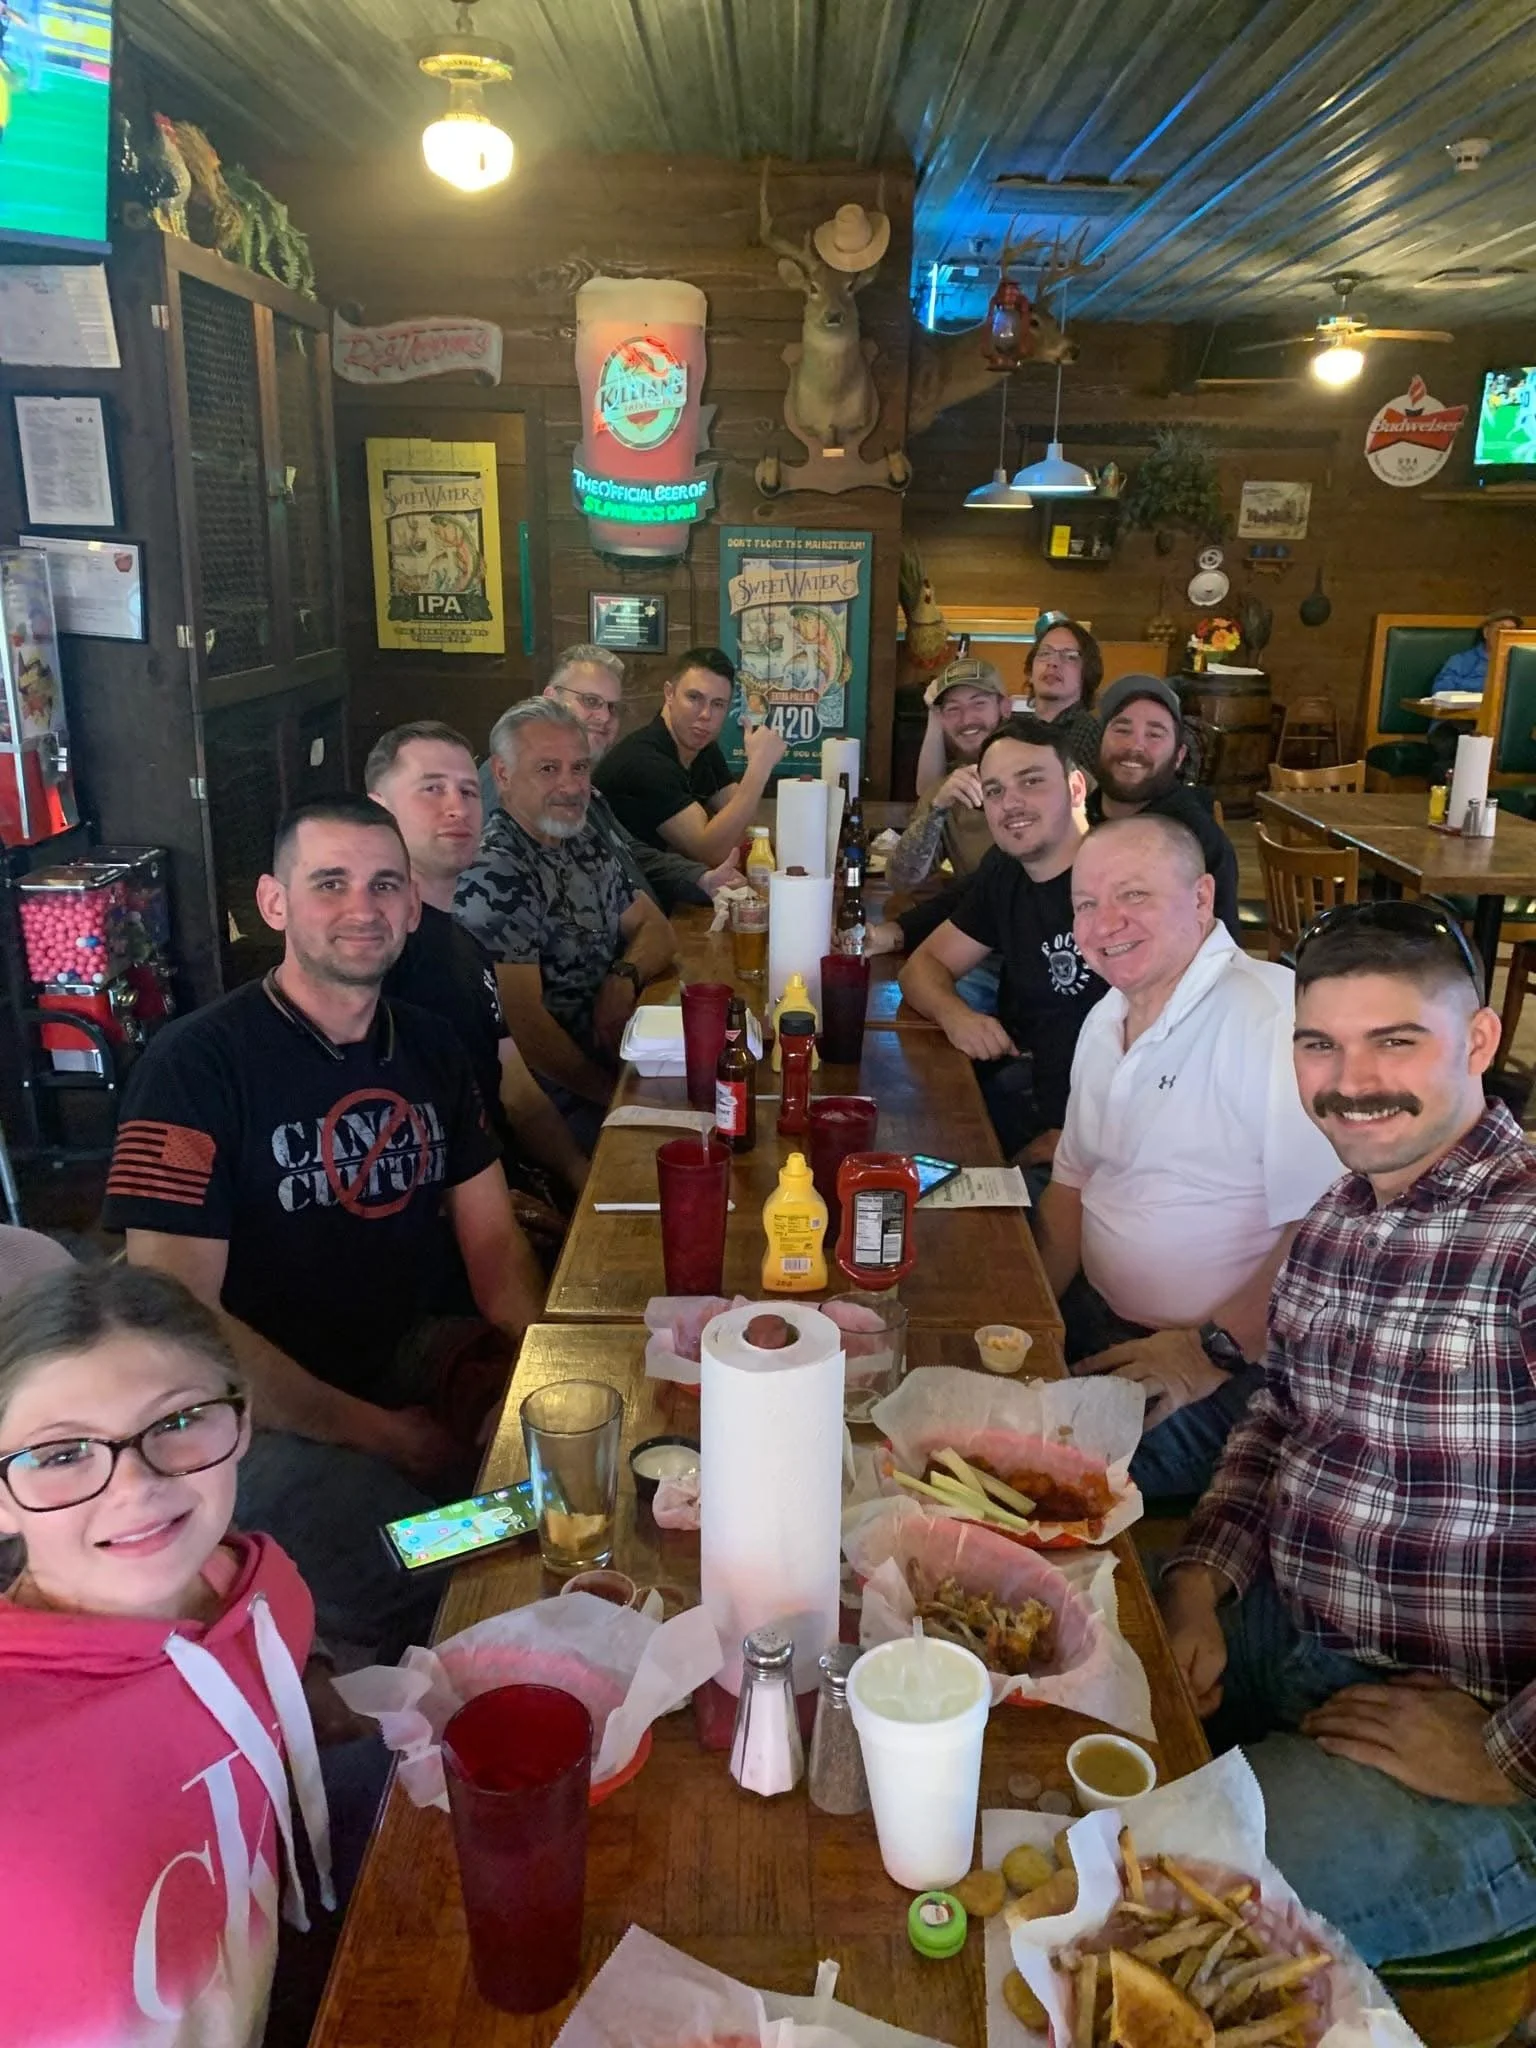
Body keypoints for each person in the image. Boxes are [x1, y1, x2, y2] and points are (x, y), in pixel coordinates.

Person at [1160, 899, 1536, 1965]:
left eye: (1394, 1041)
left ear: (1478, 1040)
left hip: (1470, 1729)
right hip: (1289, 1631)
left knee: (1144, 1908)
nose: (1350, 1081)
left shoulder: (1522, 1238)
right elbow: (1279, 1416)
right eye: (1319, 1044)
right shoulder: (1338, 1216)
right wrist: (1200, 1581)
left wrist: (1506, 1754)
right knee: (1030, 1700)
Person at [101, 794, 545, 1653]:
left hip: (402, 1349)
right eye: (330, 883)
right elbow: (178, 1323)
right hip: (244, 1409)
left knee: (580, 1468)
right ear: (275, 903)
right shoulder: (191, 1067)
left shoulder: (432, 1046)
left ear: (412, 908)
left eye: (385, 885)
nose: (362, 908)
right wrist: (386, 1437)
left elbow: (494, 1245)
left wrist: (536, 1380)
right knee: (434, 1560)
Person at [0, 1263, 380, 2046]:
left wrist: (310, 1688)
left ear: (243, 1423)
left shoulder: (261, 1584)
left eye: (178, 1421)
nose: (133, 1485)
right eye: (60, 1454)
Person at [1034, 815, 1340, 1497]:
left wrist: (1205, 1352)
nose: (1104, 923)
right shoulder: (1107, 1016)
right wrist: (1028, 1318)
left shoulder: (1272, 1018)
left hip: (1230, 1365)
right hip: (1105, 1318)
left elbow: (1329, 1229)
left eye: (1133, 895)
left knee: (1040, 1480)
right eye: (1086, 904)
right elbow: (1071, 1188)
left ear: (1202, 898)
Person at [365, 718, 590, 1223]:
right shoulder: (374, 957)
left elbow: (515, 1089)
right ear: (379, 810)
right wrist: (494, 1214)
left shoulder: (466, 942)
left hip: (505, 1184)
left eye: (468, 791)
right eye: (432, 789)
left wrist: (582, 1175)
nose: (456, 807)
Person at [456, 697, 675, 1138]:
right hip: (557, 1103)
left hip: (620, 1060)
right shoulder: (496, 868)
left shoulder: (580, 838)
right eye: (548, 769)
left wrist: (623, 977)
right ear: (502, 774)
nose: (571, 786)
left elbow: (657, 930)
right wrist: (617, 1098)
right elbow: (527, 1032)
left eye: (579, 768)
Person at [899, 715, 1104, 1172]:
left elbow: (1176, 1055)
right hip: (1032, 1105)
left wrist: (1069, 1146)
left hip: (1101, 1152)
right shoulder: (1008, 870)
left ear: (1075, 788)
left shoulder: (1119, 885)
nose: (1011, 803)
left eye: (1031, 781)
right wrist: (956, 1016)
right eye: (994, 791)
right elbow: (922, 967)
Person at [490, 643, 738, 913]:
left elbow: (626, 852)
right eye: (591, 701)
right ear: (550, 698)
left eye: (612, 707)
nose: (604, 717)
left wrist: (701, 878)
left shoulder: (589, 791)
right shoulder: (507, 783)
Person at [593, 644, 788, 864]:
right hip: (612, 880)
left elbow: (743, 823)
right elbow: (710, 852)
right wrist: (759, 768)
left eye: (718, 704)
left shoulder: (702, 747)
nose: (706, 714)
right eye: (694, 698)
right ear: (669, 693)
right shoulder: (644, 761)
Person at [1089, 674, 1241, 939]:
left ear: (1179, 756)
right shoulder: (1072, 821)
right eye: (1122, 730)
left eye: (1154, 734)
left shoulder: (1199, 839)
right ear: (1099, 741)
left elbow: (1221, 948)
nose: (1135, 746)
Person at [889, 656, 1011, 888]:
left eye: (979, 704)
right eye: (953, 709)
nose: (966, 719)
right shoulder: (947, 791)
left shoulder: (1046, 765)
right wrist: (937, 810)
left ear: (1005, 707)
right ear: (942, 719)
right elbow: (901, 880)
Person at [1426, 610, 1524, 777]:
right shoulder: (1462, 660)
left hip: (1505, 729)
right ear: (1486, 632)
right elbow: (1441, 690)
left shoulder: (1523, 665)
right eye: (1501, 629)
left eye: (1512, 631)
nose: (1506, 635)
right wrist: (1488, 687)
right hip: (1456, 725)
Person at [1022, 616, 1103, 775]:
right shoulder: (1018, 730)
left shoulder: (1088, 732)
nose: (1053, 663)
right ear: (1030, 673)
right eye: (1045, 653)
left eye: (1070, 656)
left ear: (1087, 673)